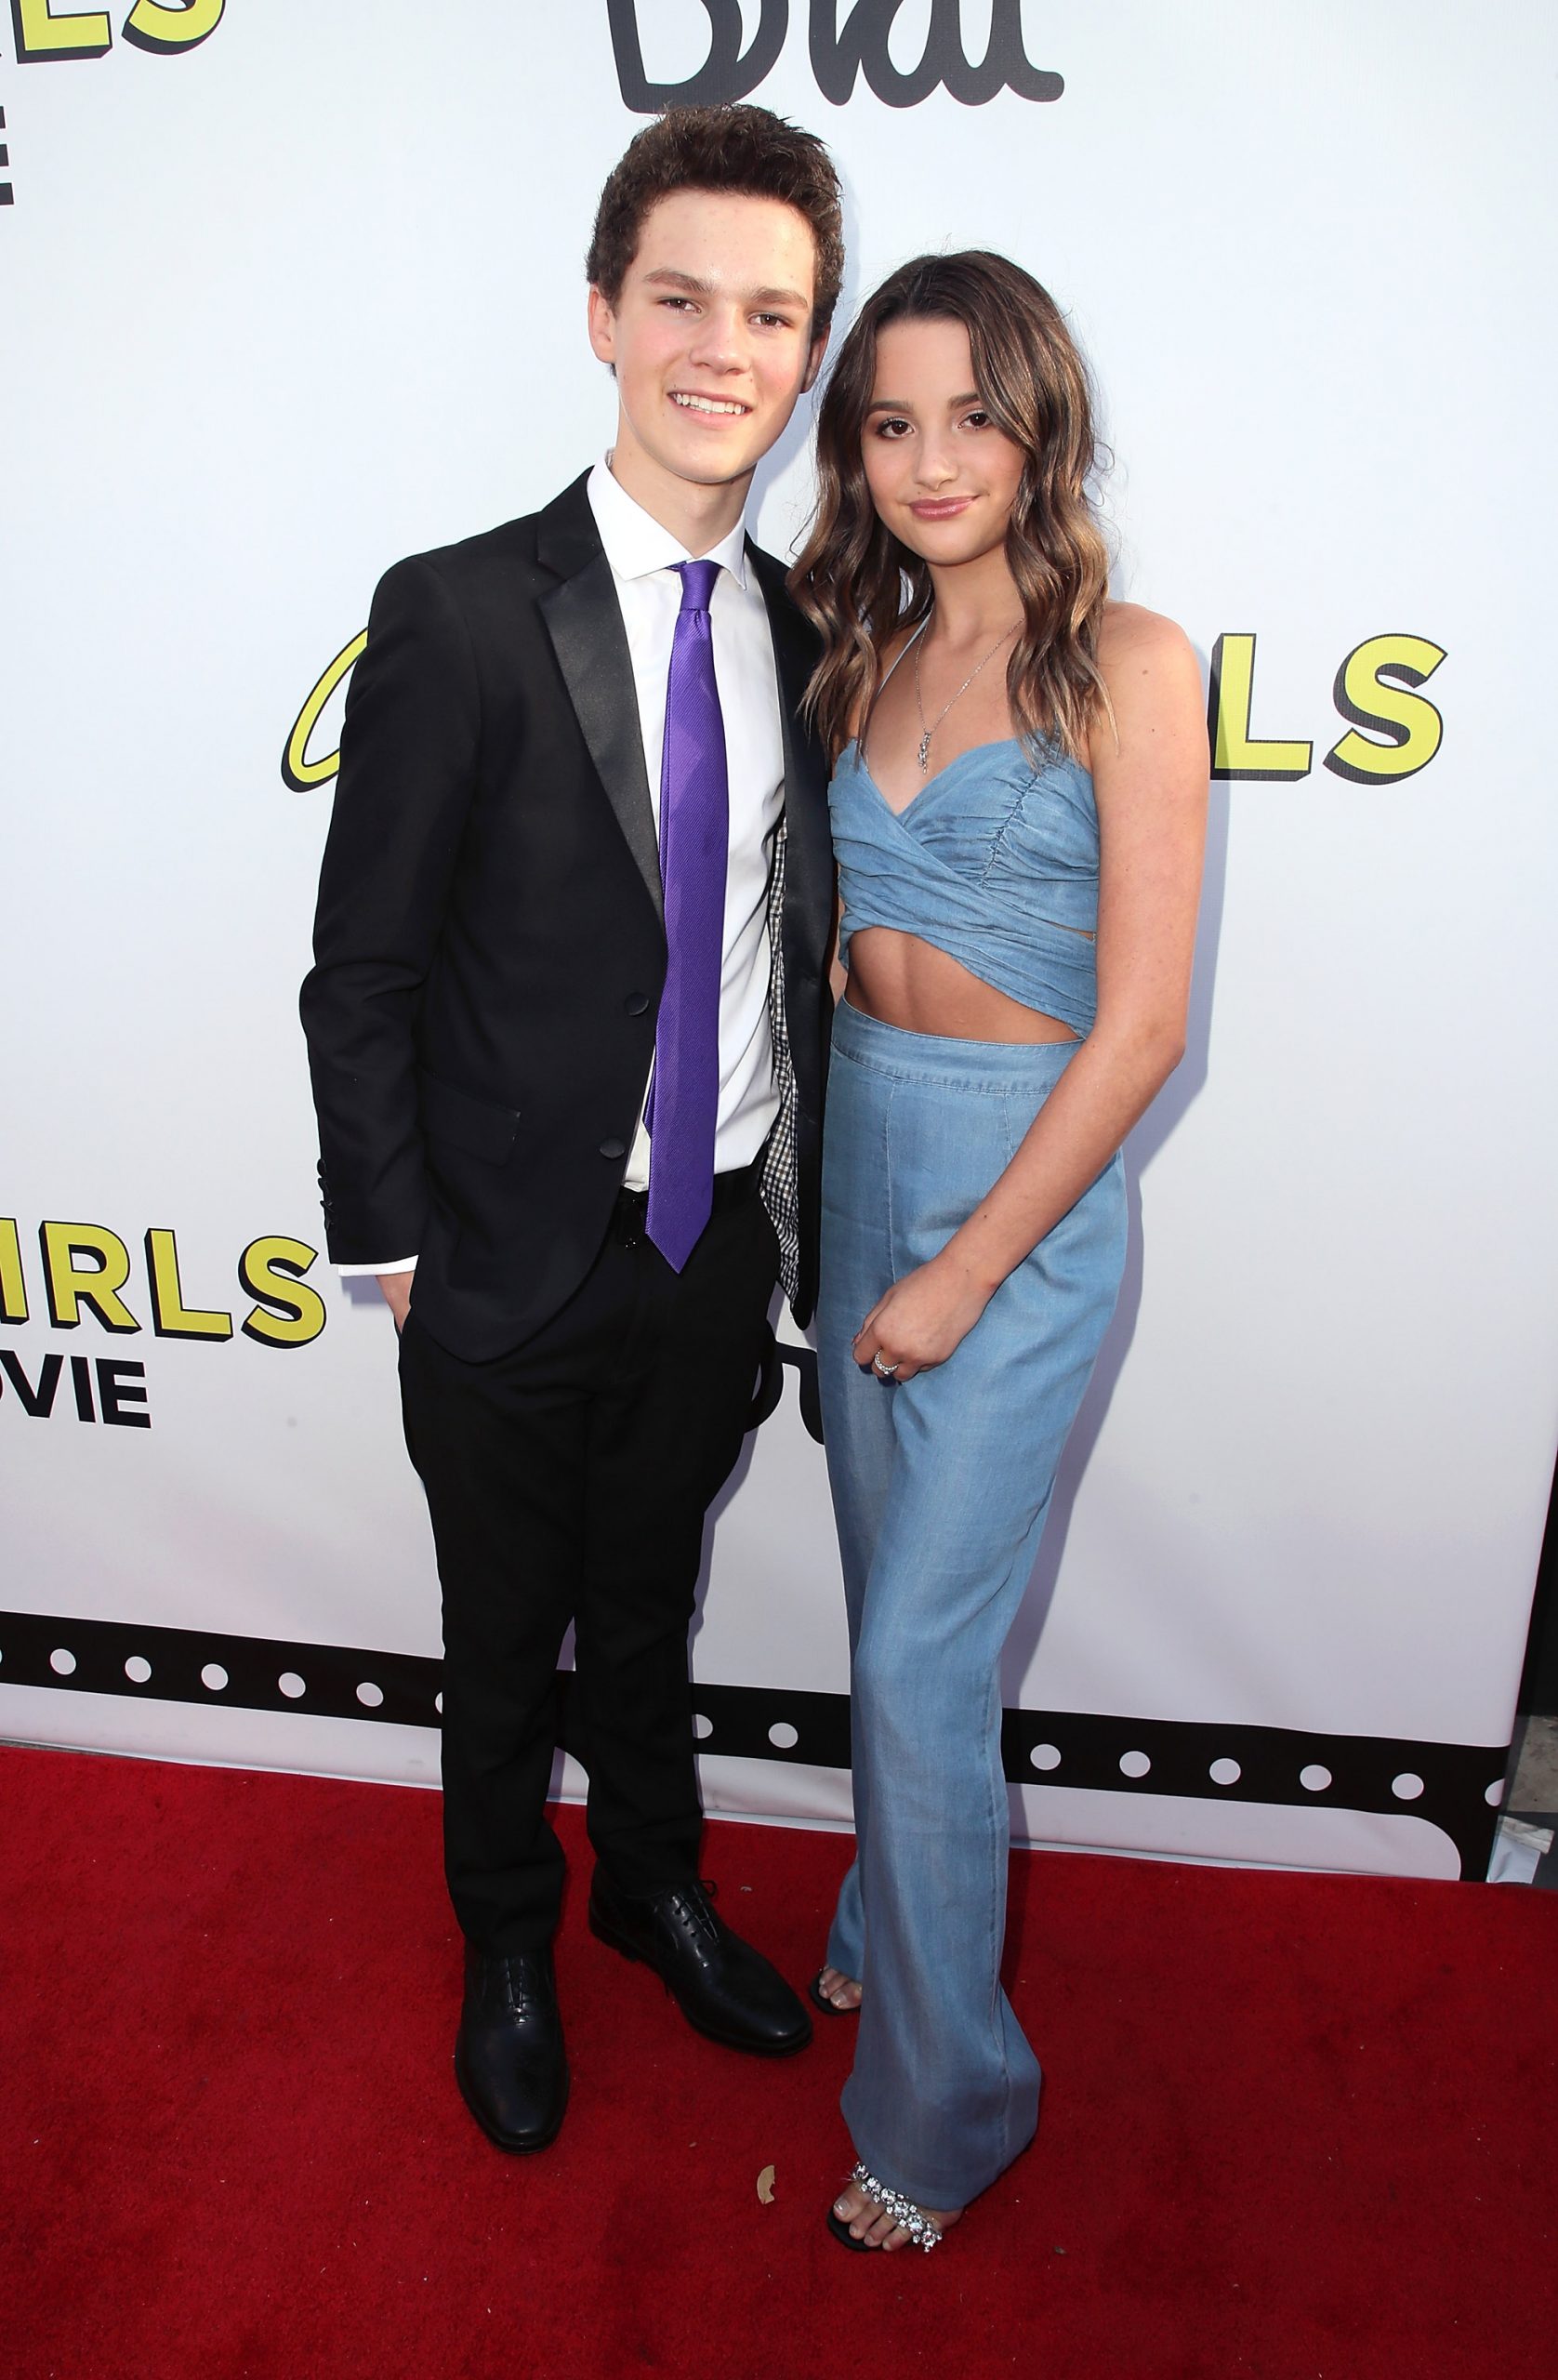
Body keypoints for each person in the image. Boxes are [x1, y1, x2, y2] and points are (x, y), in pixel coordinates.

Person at [299, 105, 843, 2155]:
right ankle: (508, 1940)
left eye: (770, 314)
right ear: (604, 315)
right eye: (682, 299)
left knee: (646, 1606)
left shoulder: (810, 631)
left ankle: (651, 1887)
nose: (725, 348)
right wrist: (394, 1247)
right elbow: (362, 965)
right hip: (498, 1258)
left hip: (708, 1252)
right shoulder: (457, 611)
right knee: (498, 1636)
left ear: (808, 352)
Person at [788, 252, 1208, 2250]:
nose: (932, 458)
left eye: (973, 414)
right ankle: (882, 1911)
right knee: (888, 1609)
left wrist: (963, 1271)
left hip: (1018, 1202)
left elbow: (1144, 1028)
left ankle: (947, 2112)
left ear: (1043, 426)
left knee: (916, 1654)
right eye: (891, 421)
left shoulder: (1128, 658)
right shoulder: (855, 656)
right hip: (861, 1148)